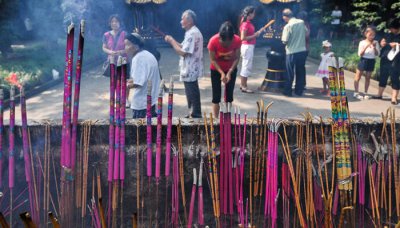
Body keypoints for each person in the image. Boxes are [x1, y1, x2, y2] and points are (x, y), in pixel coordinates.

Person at [164, 9, 203, 118]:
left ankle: (196, 113)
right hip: (190, 67)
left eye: (183, 19)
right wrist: (172, 40)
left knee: (192, 90)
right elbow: (182, 46)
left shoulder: (192, 34)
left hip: (191, 67)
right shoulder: (191, 32)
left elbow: (182, 52)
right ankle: (192, 112)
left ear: (189, 21)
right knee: (189, 90)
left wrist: (172, 41)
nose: (181, 21)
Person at [207, 21, 241, 117]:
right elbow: (213, 59)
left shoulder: (237, 40)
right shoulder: (213, 41)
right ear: (220, 37)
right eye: (223, 42)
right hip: (216, 69)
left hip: (231, 68)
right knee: (216, 96)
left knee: (229, 96)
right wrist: (221, 73)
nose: (226, 45)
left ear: (232, 38)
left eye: (228, 42)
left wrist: (230, 72)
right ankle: (216, 119)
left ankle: (226, 117)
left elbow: (237, 58)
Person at [124, 33, 160, 118]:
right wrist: (130, 81)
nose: (125, 48)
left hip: (142, 104)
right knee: (151, 128)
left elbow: (138, 83)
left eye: (127, 45)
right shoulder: (146, 54)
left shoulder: (138, 58)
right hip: (150, 99)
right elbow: (144, 77)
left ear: (136, 46)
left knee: (140, 130)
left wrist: (126, 86)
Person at [102, 14, 129, 106]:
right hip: (112, 61)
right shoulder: (106, 35)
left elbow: (129, 47)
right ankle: (114, 100)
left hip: (123, 60)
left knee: (124, 81)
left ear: (120, 23)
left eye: (116, 21)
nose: (114, 23)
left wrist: (121, 51)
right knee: (113, 81)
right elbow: (104, 48)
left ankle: (125, 99)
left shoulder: (125, 34)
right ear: (110, 23)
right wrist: (110, 52)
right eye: (112, 21)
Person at [281, 8, 308, 97]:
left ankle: (288, 91)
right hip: (302, 51)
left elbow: (284, 40)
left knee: (289, 72)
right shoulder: (301, 22)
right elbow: (306, 33)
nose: (283, 18)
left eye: (283, 16)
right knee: (300, 71)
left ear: (286, 17)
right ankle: (299, 91)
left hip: (291, 51)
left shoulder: (288, 26)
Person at [238, 6, 264, 93]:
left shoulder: (246, 22)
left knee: (245, 66)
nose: (254, 14)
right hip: (247, 46)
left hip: (248, 46)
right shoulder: (245, 23)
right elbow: (243, 37)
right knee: (246, 67)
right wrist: (255, 35)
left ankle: (243, 85)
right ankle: (244, 86)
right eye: (253, 13)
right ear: (250, 14)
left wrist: (257, 33)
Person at [353, 26, 380, 100]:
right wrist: (366, 46)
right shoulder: (362, 42)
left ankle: (365, 92)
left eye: (373, 35)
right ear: (366, 34)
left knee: (368, 77)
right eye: (370, 34)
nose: (372, 36)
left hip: (371, 61)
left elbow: (377, 54)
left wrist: (374, 47)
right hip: (363, 60)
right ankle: (356, 92)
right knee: (358, 76)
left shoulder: (376, 42)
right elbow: (360, 54)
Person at [386, 19, 400, 105]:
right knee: (394, 76)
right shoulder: (390, 35)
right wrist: (388, 44)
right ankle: (394, 97)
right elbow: (387, 43)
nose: (390, 30)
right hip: (394, 59)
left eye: (391, 28)